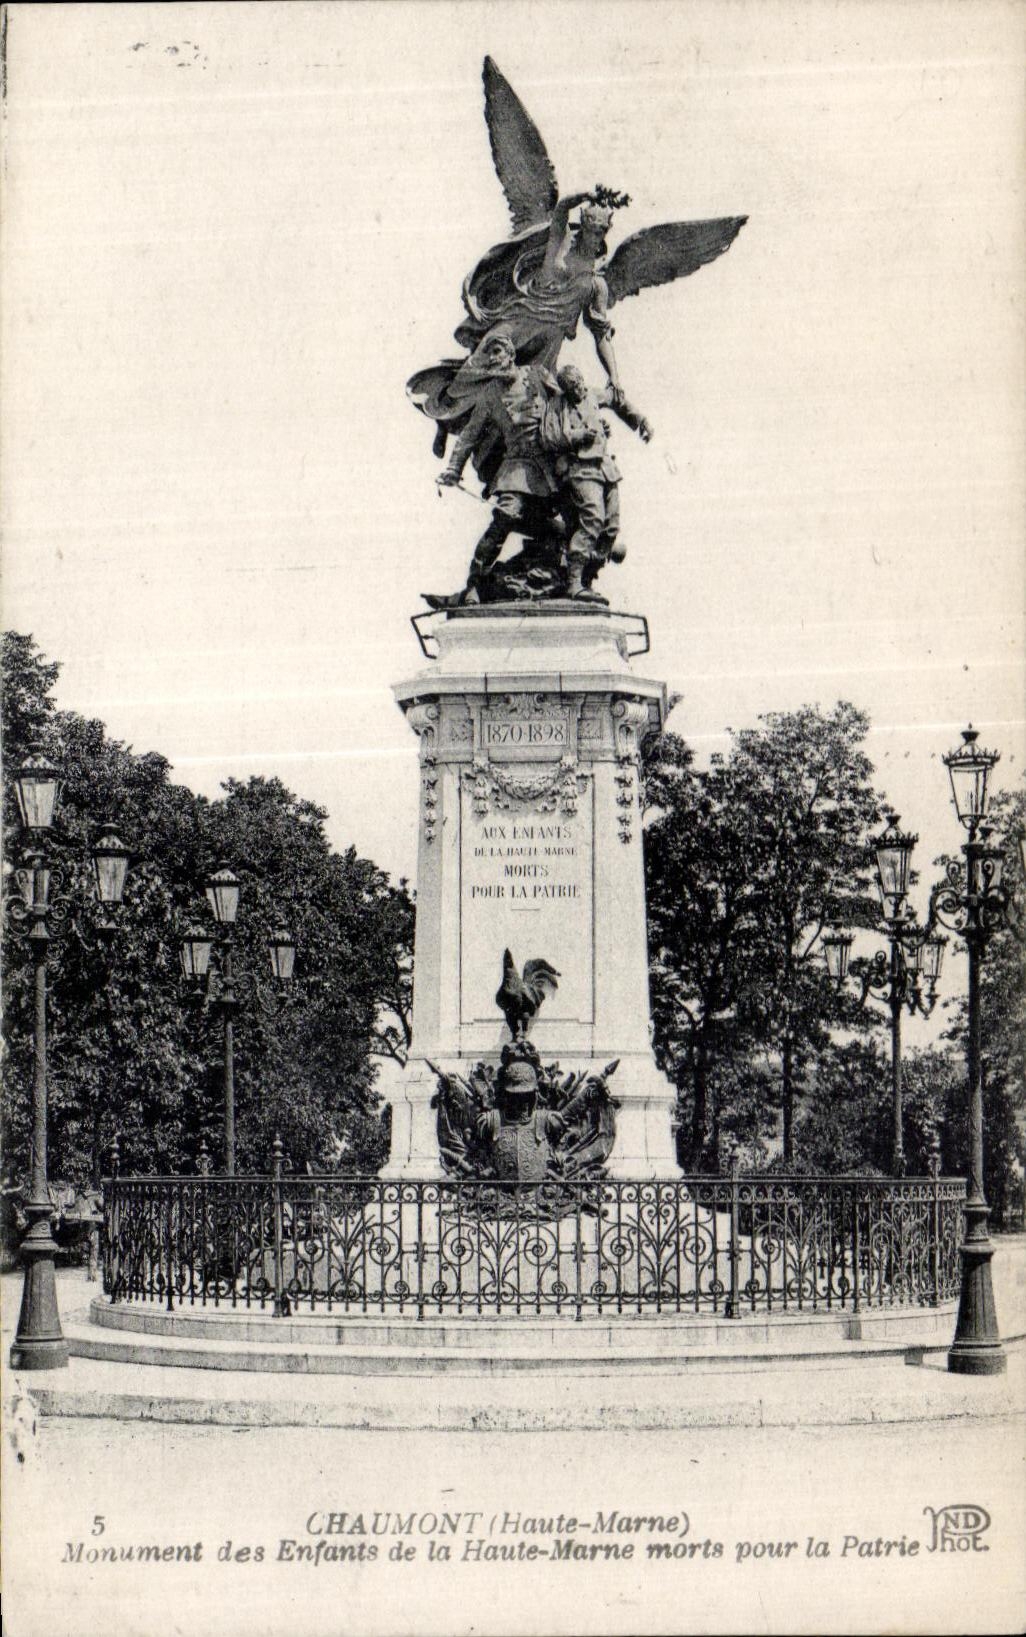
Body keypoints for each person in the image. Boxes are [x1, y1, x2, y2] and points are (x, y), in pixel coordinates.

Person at [433, 332, 564, 604]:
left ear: (510, 354)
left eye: (498, 352)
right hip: (515, 468)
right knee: (505, 518)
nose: (494, 359)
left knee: (559, 531)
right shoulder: (490, 394)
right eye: (489, 355)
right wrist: (454, 469)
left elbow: (566, 403)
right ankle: (475, 584)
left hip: (550, 468)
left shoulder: (537, 375)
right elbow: (469, 434)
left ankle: (554, 580)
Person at [541, 364, 652, 600]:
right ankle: (573, 582)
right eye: (572, 387)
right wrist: (577, 436)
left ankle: (588, 578)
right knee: (593, 520)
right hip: (581, 469)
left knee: (611, 527)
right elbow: (549, 438)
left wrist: (640, 421)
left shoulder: (592, 394)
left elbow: (616, 400)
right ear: (564, 389)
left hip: (606, 468)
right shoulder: (558, 405)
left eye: (579, 383)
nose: (578, 389)